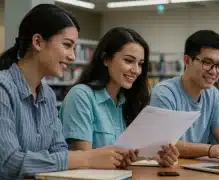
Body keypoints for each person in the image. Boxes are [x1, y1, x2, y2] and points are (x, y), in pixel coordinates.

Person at [0, 4, 132, 180]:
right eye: (67, 45)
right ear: (38, 42)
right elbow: (9, 163)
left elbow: (59, 149)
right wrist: (86, 157)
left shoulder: (47, 94)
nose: (73, 57)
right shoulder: (3, 89)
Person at [60, 27, 179, 167]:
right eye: (129, 61)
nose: (136, 70)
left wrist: (156, 157)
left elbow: (124, 157)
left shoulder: (129, 101)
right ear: (106, 59)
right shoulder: (81, 96)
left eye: (140, 64)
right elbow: (86, 160)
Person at [150, 30, 219, 160]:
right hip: (169, 171)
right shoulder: (164, 93)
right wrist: (210, 150)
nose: (214, 71)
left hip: (198, 170)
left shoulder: (213, 94)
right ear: (187, 60)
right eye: (207, 63)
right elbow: (164, 143)